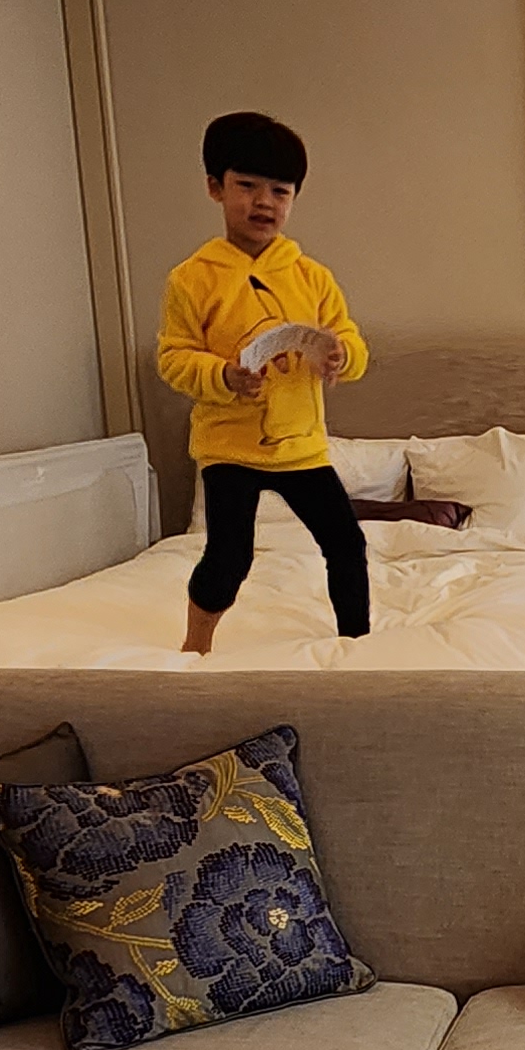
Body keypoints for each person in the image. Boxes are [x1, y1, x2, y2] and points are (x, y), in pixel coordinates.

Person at [158, 111, 369, 654]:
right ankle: (196, 643)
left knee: (346, 542)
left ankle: (358, 645)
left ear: (293, 198)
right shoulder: (193, 278)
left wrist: (342, 355)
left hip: (301, 446)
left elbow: (348, 337)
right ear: (215, 188)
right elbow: (173, 358)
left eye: (280, 190)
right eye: (247, 186)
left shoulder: (312, 277)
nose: (264, 202)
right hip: (229, 448)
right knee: (230, 555)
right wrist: (223, 375)